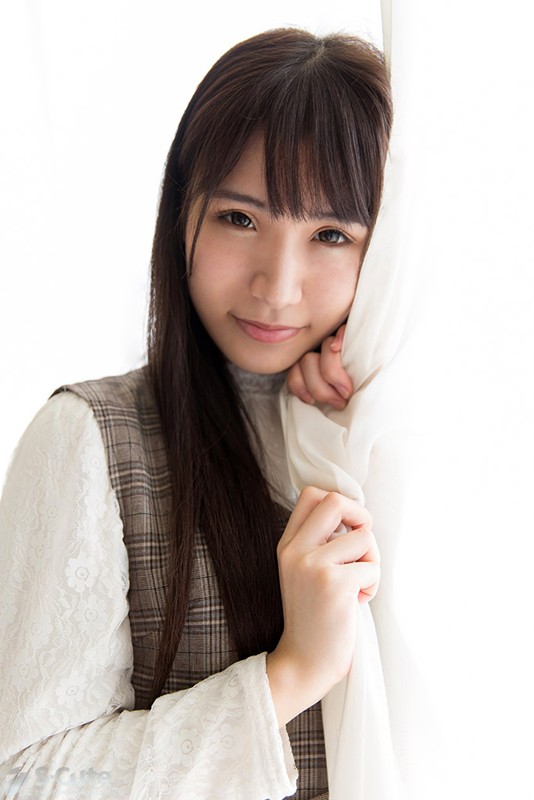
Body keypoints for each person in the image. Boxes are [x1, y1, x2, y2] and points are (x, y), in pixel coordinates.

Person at [0, 27, 392, 800]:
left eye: (330, 234)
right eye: (240, 218)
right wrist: (291, 673)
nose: (277, 287)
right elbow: (26, 776)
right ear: (183, 212)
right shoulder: (92, 440)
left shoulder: (409, 437)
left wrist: (356, 420)